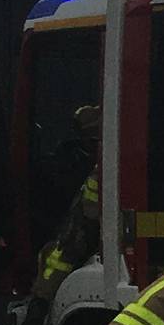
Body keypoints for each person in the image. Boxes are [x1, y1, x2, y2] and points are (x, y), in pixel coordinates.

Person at [27, 105, 104, 314]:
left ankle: (40, 303)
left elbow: (84, 220)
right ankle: (40, 303)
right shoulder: (71, 160)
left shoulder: (104, 165)